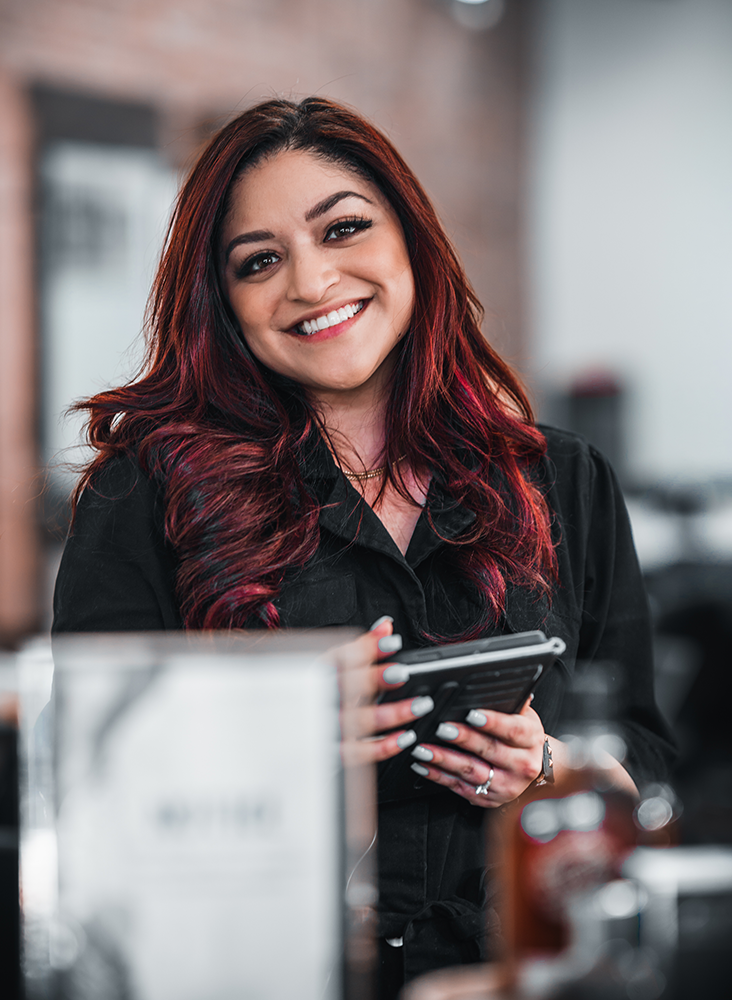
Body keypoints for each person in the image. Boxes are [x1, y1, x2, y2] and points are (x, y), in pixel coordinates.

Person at [53, 97, 675, 997]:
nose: (309, 283)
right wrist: (270, 739)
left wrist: (551, 768)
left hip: (521, 973)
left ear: (412, 241)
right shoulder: (145, 493)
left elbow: (648, 760)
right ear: (222, 302)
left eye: (342, 229)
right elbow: (79, 784)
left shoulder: (563, 480)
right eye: (259, 261)